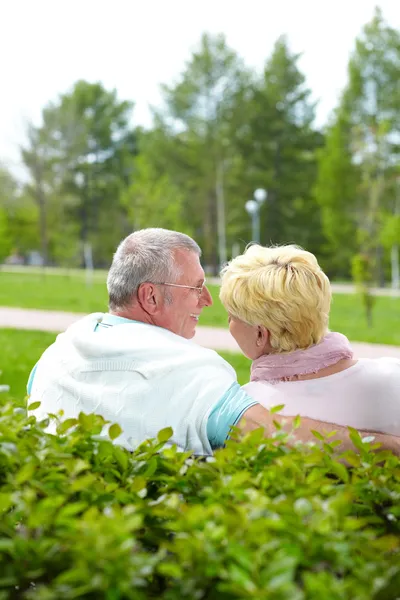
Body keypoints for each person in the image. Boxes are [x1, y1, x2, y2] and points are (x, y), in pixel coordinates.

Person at [27, 229, 400, 456]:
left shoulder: (54, 355)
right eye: (196, 288)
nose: (206, 302)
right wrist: (385, 448)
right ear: (151, 297)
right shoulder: (193, 370)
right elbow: (271, 436)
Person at [219, 243, 400, 436]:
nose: (229, 322)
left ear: (261, 334)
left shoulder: (251, 411)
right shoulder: (392, 376)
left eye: (232, 316)